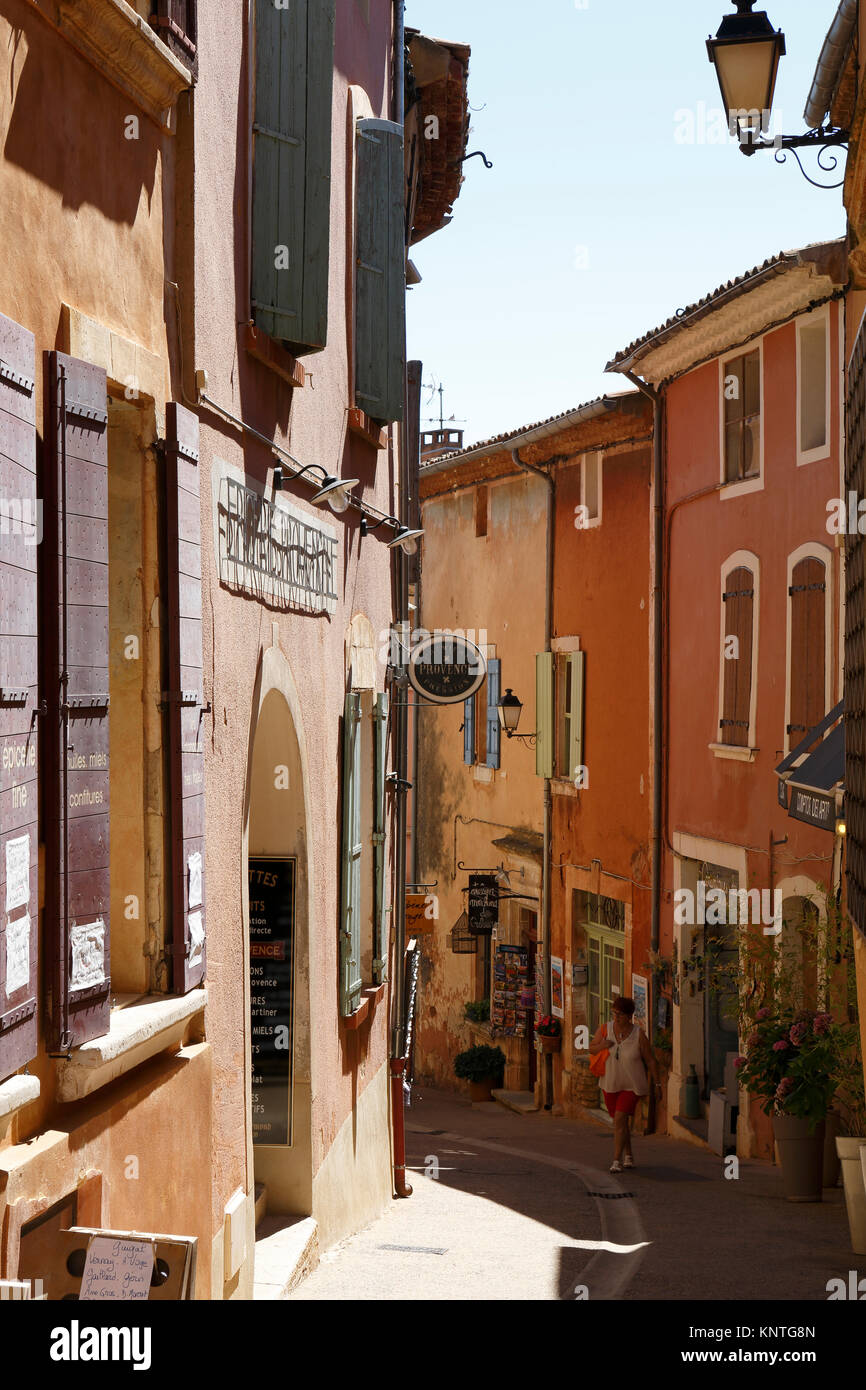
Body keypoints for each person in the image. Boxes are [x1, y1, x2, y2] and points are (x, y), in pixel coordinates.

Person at [588, 996, 661, 1173]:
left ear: (629, 1016)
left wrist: (657, 1084)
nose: (616, 1017)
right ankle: (629, 1155)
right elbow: (591, 1048)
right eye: (614, 1013)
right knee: (620, 1123)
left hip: (632, 1085)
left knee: (620, 1119)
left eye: (619, 1014)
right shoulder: (606, 1029)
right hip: (610, 1083)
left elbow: (650, 1061)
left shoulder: (638, 1035)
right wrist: (603, 1045)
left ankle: (616, 1161)